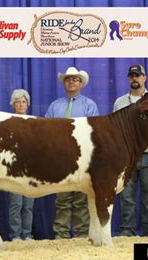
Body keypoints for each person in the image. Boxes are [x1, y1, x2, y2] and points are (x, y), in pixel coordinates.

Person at [45, 66, 99, 239]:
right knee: (62, 197)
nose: (71, 82)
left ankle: (82, 234)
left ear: (81, 84)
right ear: (64, 83)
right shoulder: (55, 106)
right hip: (60, 157)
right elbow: (45, 130)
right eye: (68, 79)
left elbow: (95, 131)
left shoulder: (89, 105)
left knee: (81, 198)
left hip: (82, 158)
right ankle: (61, 234)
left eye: (75, 79)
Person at [113, 65, 148, 237]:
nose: (134, 79)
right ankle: (127, 230)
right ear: (129, 79)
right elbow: (115, 130)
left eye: (138, 76)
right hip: (127, 157)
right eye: (132, 76)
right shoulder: (120, 103)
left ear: (145, 78)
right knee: (126, 197)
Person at [7, 89, 35, 241]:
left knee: (28, 204)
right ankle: (15, 234)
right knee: (16, 203)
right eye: (18, 101)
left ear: (27, 104)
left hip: (31, 169)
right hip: (15, 169)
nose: (21, 104)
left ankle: (27, 233)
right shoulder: (9, 122)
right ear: (13, 104)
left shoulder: (33, 122)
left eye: (24, 101)